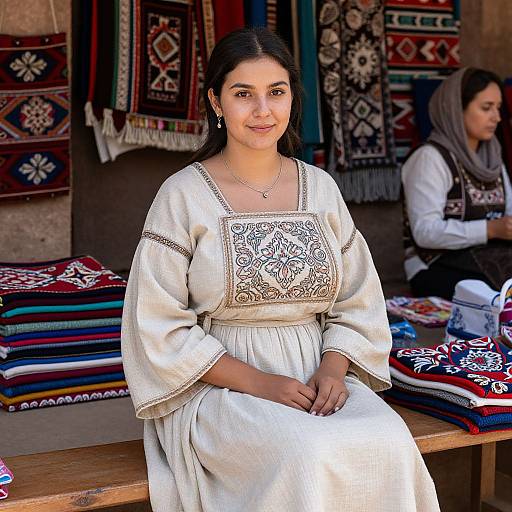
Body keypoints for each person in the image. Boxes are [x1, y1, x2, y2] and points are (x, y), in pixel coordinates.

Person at [121, 27, 439, 512]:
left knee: (390, 445)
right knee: (305, 452)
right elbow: (157, 323)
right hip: (218, 386)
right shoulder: (182, 195)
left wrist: (335, 369)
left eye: (276, 92)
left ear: (293, 97)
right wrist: (263, 384)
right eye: (243, 94)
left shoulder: (321, 188)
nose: (262, 110)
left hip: (316, 374)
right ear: (215, 101)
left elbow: (358, 299)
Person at [403, 67, 512, 300]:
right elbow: (425, 232)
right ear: (455, 110)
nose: (497, 117)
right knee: (495, 291)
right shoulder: (430, 159)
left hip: (491, 256)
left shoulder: (493, 159)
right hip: (434, 265)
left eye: (498, 108)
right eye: (486, 108)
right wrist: (490, 229)